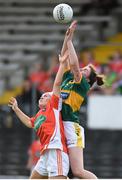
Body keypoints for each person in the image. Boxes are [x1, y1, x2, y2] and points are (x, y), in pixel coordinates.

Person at [8, 51, 69, 179]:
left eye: (46, 96)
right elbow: (30, 123)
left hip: (55, 150)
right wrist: (16, 109)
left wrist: (62, 64)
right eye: (42, 96)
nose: (43, 96)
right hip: (45, 153)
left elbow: (57, 84)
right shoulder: (40, 113)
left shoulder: (54, 105)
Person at [60, 20, 104, 179]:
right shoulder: (67, 78)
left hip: (71, 125)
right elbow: (64, 57)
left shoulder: (83, 84)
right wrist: (67, 37)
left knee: (78, 171)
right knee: (64, 172)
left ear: (89, 78)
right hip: (60, 124)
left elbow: (73, 63)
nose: (82, 69)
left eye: (86, 69)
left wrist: (71, 41)